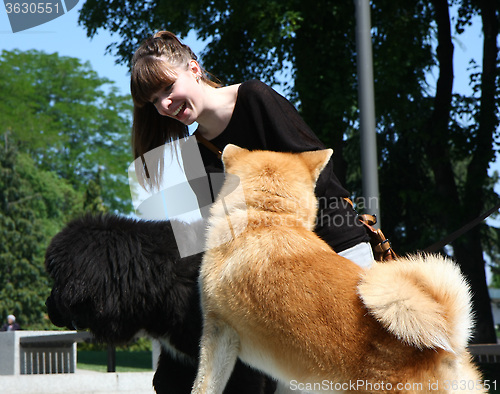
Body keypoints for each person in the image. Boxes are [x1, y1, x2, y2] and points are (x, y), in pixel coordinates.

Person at [130, 31, 374, 268]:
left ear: (194, 70)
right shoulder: (191, 152)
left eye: (168, 88)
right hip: (277, 270)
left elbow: (317, 170)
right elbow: (218, 229)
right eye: (154, 100)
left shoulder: (253, 97)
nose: (163, 105)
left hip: (337, 244)